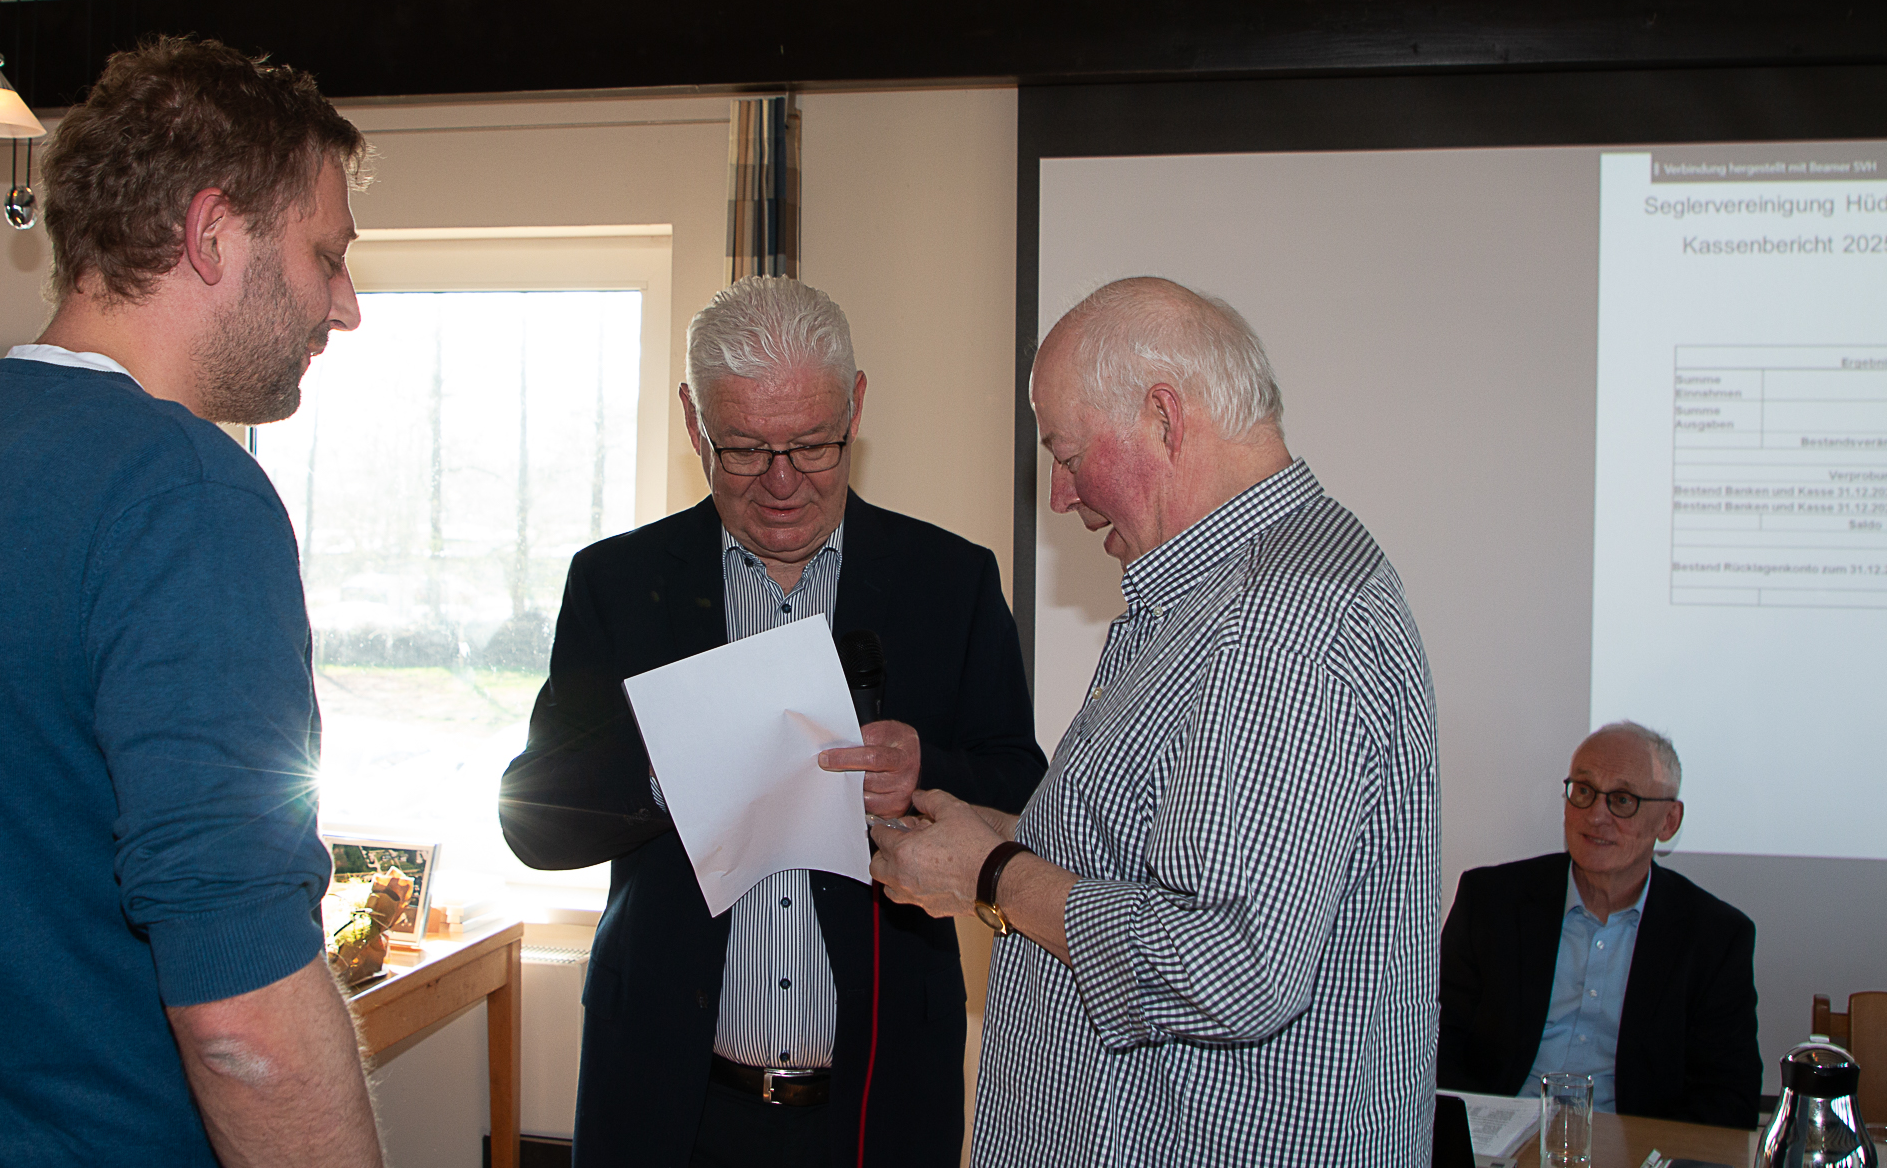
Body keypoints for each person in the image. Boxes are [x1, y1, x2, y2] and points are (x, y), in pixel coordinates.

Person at [0, 37, 383, 1168]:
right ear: (212, 233)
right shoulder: (182, 489)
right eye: (326, 255)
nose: (344, 305)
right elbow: (243, 1022)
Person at [869, 276, 1442, 1167]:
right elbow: (1168, 864)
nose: (1060, 496)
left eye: (1067, 454)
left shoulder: (1278, 618)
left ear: (1165, 419)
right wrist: (1001, 836)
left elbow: (1231, 962)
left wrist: (992, 874)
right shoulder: (1219, 593)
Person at [500, 276, 1046, 1168]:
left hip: (878, 1102)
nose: (783, 482)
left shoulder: (949, 581)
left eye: (814, 445)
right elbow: (534, 819)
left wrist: (927, 772)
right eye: (746, 449)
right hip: (668, 1102)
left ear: (856, 406)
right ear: (693, 421)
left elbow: (1027, 793)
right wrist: (670, 769)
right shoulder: (617, 583)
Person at [1438, 721, 1760, 1128]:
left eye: (1622, 800)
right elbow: (1431, 1040)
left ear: (1668, 821)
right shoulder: (1491, 900)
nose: (1595, 815)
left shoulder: (1715, 937)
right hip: (1496, 1138)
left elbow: (1730, 1097)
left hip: (1632, 1145)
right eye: (1584, 791)